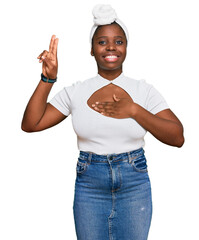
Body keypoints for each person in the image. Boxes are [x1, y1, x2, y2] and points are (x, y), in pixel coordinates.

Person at [21, 4, 184, 240]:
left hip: (134, 183)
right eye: (102, 42)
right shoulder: (76, 91)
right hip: (90, 185)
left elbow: (177, 137)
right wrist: (49, 78)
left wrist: (134, 110)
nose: (110, 47)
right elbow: (31, 124)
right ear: (91, 49)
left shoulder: (143, 90)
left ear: (126, 47)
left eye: (119, 41)